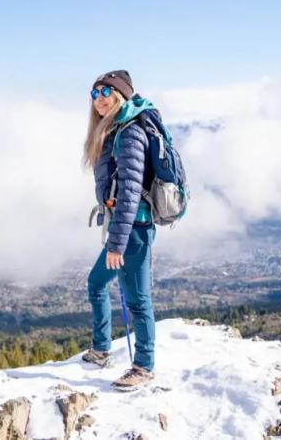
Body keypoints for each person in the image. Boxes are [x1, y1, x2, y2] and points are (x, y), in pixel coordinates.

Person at [80, 70, 160, 390]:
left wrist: (117, 243)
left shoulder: (129, 133)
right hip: (123, 226)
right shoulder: (113, 130)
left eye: (105, 92)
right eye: (94, 93)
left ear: (121, 95)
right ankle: (102, 348)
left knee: (137, 298)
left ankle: (144, 366)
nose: (99, 99)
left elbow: (129, 190)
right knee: (96, 283)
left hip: (134, 229)